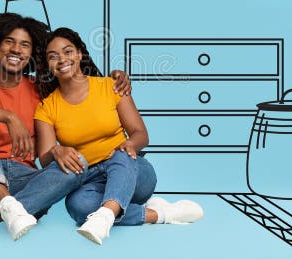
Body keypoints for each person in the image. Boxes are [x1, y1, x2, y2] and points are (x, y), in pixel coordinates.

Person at [0, 13, 131, 240]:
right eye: (9, 41)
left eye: (25, 45)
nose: (16, 50)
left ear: (32, 54)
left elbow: (75, 85)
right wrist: (9, 117)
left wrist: (115, 78)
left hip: (24, 184)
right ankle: (5, 202)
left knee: (77, 164)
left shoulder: (40, 89)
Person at [34, 27, 204, 245]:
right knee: (77, 206)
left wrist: (129, 145)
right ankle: (159, 214)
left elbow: (140, 134)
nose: (62, 59)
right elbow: (45, 158)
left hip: (132, 171)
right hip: (90, 179)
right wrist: (56, 150)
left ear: (79, 54)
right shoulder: (47, 107)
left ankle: (105, 216)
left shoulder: (109, 87)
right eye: (53, 56)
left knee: (121, 152)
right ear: (47, 64)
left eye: (68, 52)